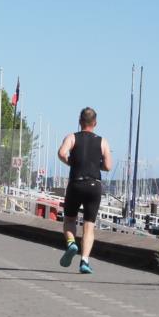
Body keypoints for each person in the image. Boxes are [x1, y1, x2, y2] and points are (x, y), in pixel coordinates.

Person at [56, 107, 112, 274]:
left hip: (76, 183)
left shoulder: (72, 137)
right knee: (89, 225)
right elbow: (108, 166)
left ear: (80, 121)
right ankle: (85, 261)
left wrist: (72, 163)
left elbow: (61, 153)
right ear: (95, 123)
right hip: (94, 185)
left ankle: (71, 243)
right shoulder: (103, 141)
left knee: (70, 220)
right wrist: (96, 165)